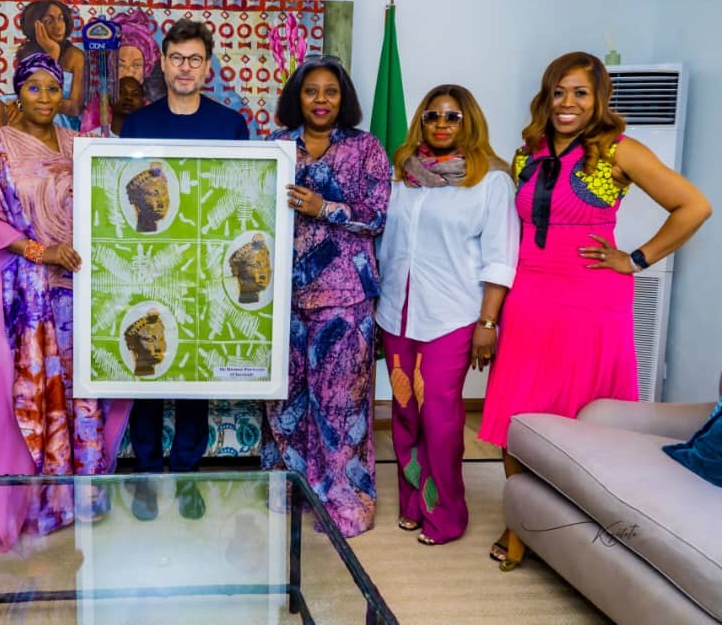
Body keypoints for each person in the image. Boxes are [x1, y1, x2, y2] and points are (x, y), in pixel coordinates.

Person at [479, 51, 711, 563]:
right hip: (529, 295)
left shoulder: (618, 150)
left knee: (582, 411)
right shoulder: (527, 152)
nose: (568, 103)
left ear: (599, 98)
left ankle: (573, 519)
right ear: (546, 97)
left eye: (580, 93)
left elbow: (695, 206)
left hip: (591, 300)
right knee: (517, 409)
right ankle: (521, 523)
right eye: (559, 92)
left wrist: (636, 258)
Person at [0, 53, 131, 549]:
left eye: (53, 88)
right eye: (33, 88)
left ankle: (82, 496)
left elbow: (114, 196)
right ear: (18, 91)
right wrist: (42, 251)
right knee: (34, 391)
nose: (44, 97)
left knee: (85, 387)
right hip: (27, 294)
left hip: (80, 288)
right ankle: (39, 500)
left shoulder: (81, 144)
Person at [121, 18, 251, 520]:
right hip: (149, 266)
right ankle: (147, 473)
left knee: (195, 368)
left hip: (206, 265)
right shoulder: (137, 125)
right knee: (148, 368)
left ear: (208, 65)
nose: (185, 68)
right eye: (176, 58)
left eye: (195, 59)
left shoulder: (230, 125)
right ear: (162, 62)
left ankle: (187, 472)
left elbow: (240, 196)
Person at [377, 84, 518, 546]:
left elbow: (500, 257)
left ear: (468, 121)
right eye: (433, 115)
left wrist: (487, 323)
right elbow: (386, 245)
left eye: (452, 116)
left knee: (439, 418)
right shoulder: (403, 175)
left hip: (451, 317)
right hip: (397, 313)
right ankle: (413, 503)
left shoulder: (491, 181)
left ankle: (446, 516)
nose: (441, 123)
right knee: (404, 414)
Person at [260, 55, 391, 538]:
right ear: (297, 97)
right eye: (311, 90)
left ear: (343, 98)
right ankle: (292, 492)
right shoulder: (275, 146)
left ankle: (344, 504)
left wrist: (324, 207)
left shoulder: (366, 148)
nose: (320, 100)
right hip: (283, 297)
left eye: (330, 91)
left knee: (341, 404)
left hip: (346, 299)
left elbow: (377, 216)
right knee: (285, 402)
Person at [81, 9, 162, 134]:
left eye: (136, 65)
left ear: (146, 68)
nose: (129, 72)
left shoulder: (153, 112)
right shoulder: (95, 111)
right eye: (121, 65)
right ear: (110, 68)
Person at [15, 0, 86, 126]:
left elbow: (75, 108)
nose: (58, 26)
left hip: (65, 126)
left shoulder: (76, 56)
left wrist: (53, 52)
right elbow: (26, 100)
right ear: (36, 25)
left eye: (61, 19)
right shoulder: (26, 54)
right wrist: (52, 54)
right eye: (49, 21)